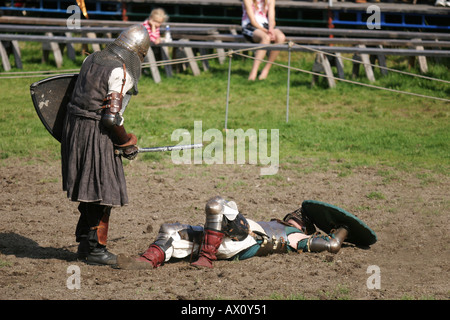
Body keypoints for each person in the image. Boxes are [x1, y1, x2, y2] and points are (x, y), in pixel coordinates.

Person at [61, 25, 151, 266]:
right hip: (95, 133)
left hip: (74, 128)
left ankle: (84, 244)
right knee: (103, 190)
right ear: (138, 53)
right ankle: (95, 250)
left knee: (89, 187)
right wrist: (126, 142)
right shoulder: (121, 69)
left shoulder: (92, 57)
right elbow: (111, 118)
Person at [116, 196, 350, 270]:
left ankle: (206, 259)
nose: (296, 215)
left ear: (305, 227)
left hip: (245, 241)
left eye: (302, 218)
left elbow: (332, 246)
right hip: (226, 240)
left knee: (219, 204)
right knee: (171, 230)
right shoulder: (279, 223)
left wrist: (345, 228)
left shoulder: (296, 236)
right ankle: (147, 261)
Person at [241, 0, 286, 80]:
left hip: (265, 25)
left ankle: (266, 69)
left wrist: (271, 29)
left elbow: (271, 18)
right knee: (266, 38)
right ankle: (253, 72)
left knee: (281, 37)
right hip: (249, 25)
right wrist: (267, 32)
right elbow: (252, 21)